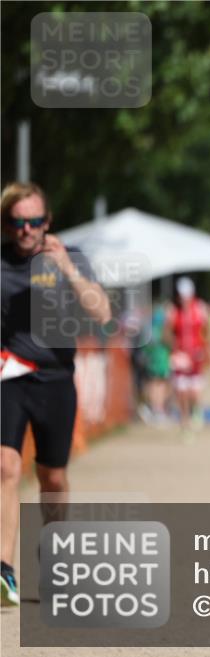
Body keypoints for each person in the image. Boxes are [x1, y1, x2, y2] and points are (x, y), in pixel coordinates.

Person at [0, 181, 111, 606]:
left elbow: (102, 313)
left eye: (33, 221)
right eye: (17, 222)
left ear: (47, 222)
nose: (25, 229)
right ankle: (5, 570)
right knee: (7, 467)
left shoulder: (72, 258)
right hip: (10, 374)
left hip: (56, 378)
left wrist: (65, 267)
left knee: (53, 477)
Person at [165, 276, 210, 437]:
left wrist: (205, 349)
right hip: (181, 355)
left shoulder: (200, 308)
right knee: (181, 390)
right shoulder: (173, 311)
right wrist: (174, 349)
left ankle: (196, 411)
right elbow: (167, 332)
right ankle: (184, 420)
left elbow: (207, 329)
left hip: (196, 355)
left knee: (194, 391)